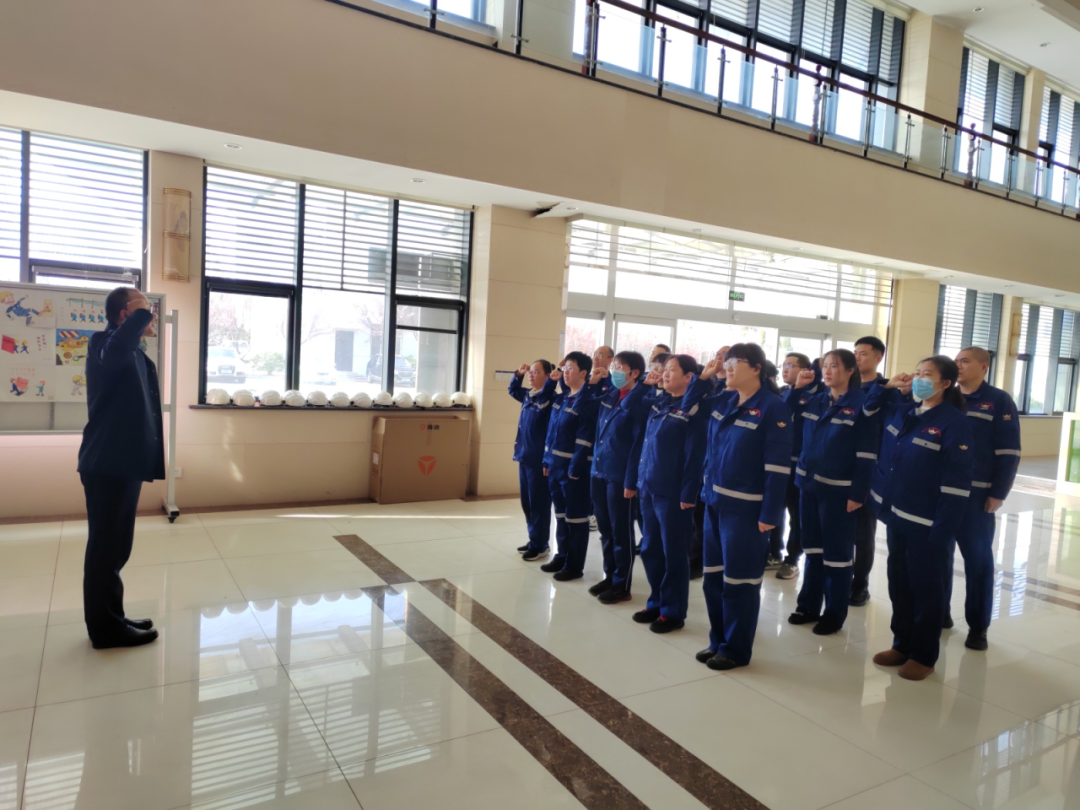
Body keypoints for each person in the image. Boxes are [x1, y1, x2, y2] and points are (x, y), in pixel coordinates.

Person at [866, 356, 973, 681]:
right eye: (917, 373)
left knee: (926, 589)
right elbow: (869, 411)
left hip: (928, 524)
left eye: (927, 375)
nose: (918, 379)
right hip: (898, 517)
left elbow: (956, 484)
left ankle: (923, 655)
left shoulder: (954, 423)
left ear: (945, 383)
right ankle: (902, 643)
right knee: (899, 583)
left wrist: (944, 530)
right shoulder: (907, 412)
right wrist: (887, 387)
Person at [688, 343, 793, 670]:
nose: (729, 367)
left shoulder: (773, 408)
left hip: (746, 510)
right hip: (714, 502)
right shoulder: (725, 400)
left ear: (757, 369)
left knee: (740, 583)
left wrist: (770, 514)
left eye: (736, 362)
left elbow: (777, 467)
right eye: (727, 361)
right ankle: (718, 641)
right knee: (713, 579)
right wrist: (704, 378)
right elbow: (690, 407)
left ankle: (735, 649)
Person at [77, 287, 163, 649]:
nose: (152, 313)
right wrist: (139, 315)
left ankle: (113, 616)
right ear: (125, 315)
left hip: (122, 462)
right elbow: (114, 353)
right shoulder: (103, 343)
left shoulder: (134, 352)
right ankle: (105, 630)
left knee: (115, 548)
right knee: (106, 549)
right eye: (145, 307)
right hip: (107, 463)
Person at [785, 350, 878, 635]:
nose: (827, 371)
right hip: (808, 486)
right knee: (812, 549)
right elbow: (785, 413)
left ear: (850, 370)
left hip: (839, 491)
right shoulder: (815, 400)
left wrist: (858, 494)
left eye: (834, 366)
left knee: (837, 555)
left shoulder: (862, 404)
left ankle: (834, 613)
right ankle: (808, 605)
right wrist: (797, 388)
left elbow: (867, 454)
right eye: (824, 366)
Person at [947, 346, 1020, 650]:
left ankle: (978, 626)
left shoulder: (998, 400)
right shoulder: (947, 396)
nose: (958, 366)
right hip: (942, 492)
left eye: (965, 361)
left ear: (983, 367)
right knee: (938, 556)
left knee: (978, 560)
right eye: (956, 361)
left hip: (976, 495)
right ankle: (940, 612)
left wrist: (998, 492)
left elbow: (1009, 451)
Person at [631, 354, 707, 633]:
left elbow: (695, 454)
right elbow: (631, 408)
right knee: (651, 549)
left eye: (671, 370)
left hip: (674, 492)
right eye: (664, 369)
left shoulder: (694, 408)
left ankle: (673, 611)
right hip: (649, 486)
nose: (664, 373)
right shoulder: (660, 403)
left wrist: (689, 492)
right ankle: (656, 602)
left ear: (689, 377)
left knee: (673, 552)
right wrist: (646, 385)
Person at [589, 351, 650, 603]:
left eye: (619, 367)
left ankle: (622, 585)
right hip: (599, 470)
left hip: (620, 475)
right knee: (605, 529)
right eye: (613, 366)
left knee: (621, 532)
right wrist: (594, 382)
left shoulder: (640, 401)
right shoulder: (610, 394)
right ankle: (610, 575)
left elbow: (638, 445)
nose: (614, 370)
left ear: (634, 373)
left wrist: (631, 480)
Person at [541, 352, 599, 581]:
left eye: (571, 368)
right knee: (561, 515)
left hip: (573, 471)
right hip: (555, 467)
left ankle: (574, 565)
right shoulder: (562, 398)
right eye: (564, 368)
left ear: (584, 373)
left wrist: (575, 468)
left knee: (576, 518)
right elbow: (551, 433)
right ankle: (562, 556)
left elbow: (584, 440)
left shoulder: (588, 401)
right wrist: (546, 460)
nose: (565, 372)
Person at [851, 335, 888, 607]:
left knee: (864, 533)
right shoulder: (844, 386)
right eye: (855, 353)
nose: (857, 358)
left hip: (870, 469)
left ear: (878, 357)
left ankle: (859, 585)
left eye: (863, 353)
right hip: (841, 468)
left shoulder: (887, 390)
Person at [509, 360, 558, 561]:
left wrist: (553, 383)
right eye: (531, 371)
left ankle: (541, 544)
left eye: (536, 372)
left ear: (548, 376)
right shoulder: (529, 395)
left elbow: (551, 432)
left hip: (539, 461)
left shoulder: (550, 399)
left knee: (539, 503)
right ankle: (533, 539)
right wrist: (518, 375)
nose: (531, 374)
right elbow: (513, 390)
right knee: (527, 503)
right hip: (524, 456)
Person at [775, 352, 815, 580]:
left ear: (805, 370)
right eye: (784, 365)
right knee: (774, 509)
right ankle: (773, 552)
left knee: (796, 515)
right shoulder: (782, 393)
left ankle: (792, 559)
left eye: (791, 365)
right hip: (777, 463)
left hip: (799, 465)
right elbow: (779, 416)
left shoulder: (814, 396)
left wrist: (799, 389)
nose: (785, 369)